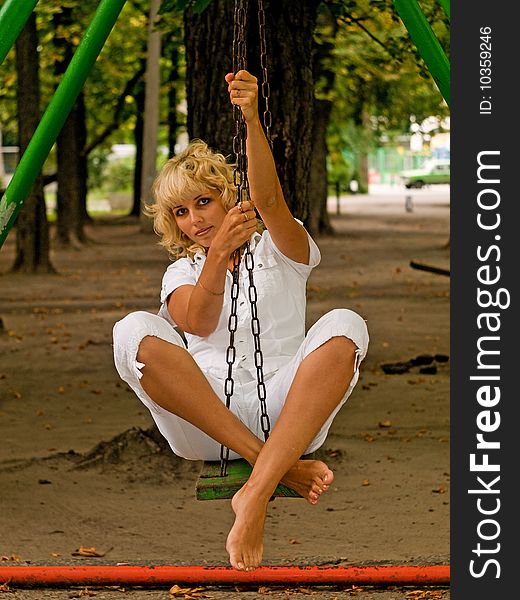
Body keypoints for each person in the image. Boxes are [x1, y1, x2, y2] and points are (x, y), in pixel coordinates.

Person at [112, 70, 369, 572]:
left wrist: (251, 116)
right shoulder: (180, 271)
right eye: (181, 212)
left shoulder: (281, 247)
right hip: (204, 421)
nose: (196, 220)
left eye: (204, 201)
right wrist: (216, 257)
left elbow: (271, 202)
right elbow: (199, 323)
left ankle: (252, 494)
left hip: (288, 412)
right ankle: (278, 471)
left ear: (229, 196)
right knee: (131, 330)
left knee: (346, 323)